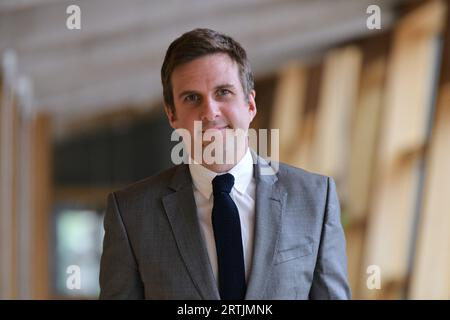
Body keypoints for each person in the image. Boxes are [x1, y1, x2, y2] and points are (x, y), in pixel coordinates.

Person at [99, 28, 351, 300]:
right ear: (172, 114)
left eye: (223, 92)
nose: (210, 112)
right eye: (192, 98)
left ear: (250, 105)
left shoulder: (314, 198)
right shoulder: (132, 214)